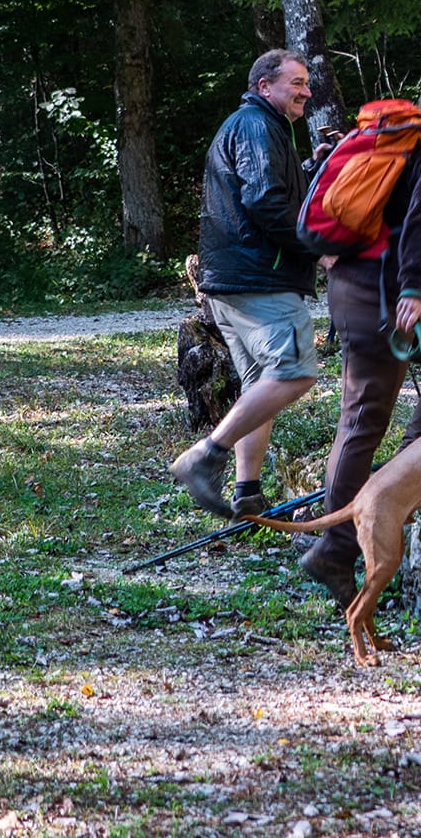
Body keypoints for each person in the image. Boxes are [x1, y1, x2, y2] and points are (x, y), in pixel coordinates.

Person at [299, 72, 421, 607]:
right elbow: (420, 223)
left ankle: (410, 462)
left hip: (386, 293)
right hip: (380, 299)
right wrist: (414, 290)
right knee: (362, 420)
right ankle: (334, 551)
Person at [170, 50, 325, 519]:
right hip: (261, 281)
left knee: (259, 385)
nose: (306, 91)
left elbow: (269, 189)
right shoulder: (257, 126)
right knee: (294, 373)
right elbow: (264, 201)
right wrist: (319, 249)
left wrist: (311, 168)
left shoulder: (261, 127)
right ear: (264, 86)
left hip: (231, 283)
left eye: (306, 83)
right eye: (296, 83)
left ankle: (248, 492)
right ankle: (205, 456)